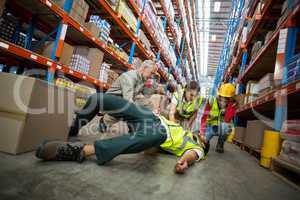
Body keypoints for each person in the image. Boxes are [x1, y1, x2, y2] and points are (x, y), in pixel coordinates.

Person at [36, 93, 208, 174]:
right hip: (148, 117)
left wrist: (184, 161)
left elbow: (191, 155)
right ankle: (72, 129)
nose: (203, 135)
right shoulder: (185, 130)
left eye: (205, 139)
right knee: (99, 98)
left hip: (156, 134)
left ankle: (81, 151)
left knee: (160, 135)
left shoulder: (196, 148)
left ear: (203, 145)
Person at [69, 60, 157, 136]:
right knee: (130, 107)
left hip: (121, 101)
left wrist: (152, 86)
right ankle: (76, 127)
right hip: (111, 101)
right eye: (152, 73)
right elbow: (128, 101)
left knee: (147, 105)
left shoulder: (142, 79)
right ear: (144, 68)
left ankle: (107, 121)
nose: (152, 76)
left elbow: (145, 95)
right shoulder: (130, 77)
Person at [201, 83, 237, 153]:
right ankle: (206, 140)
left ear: (230, 99)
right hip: (210, 127)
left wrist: (228, 107)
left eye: (226, 99)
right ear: (218, 95)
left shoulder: (232, 106)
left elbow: (227, 120)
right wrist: (202, 133)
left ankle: (220, 143)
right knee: (203, 143)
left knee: (225, 127)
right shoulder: (211, 101)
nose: (222, 101)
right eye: (221, 98)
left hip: (221, 128)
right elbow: (204, 118)